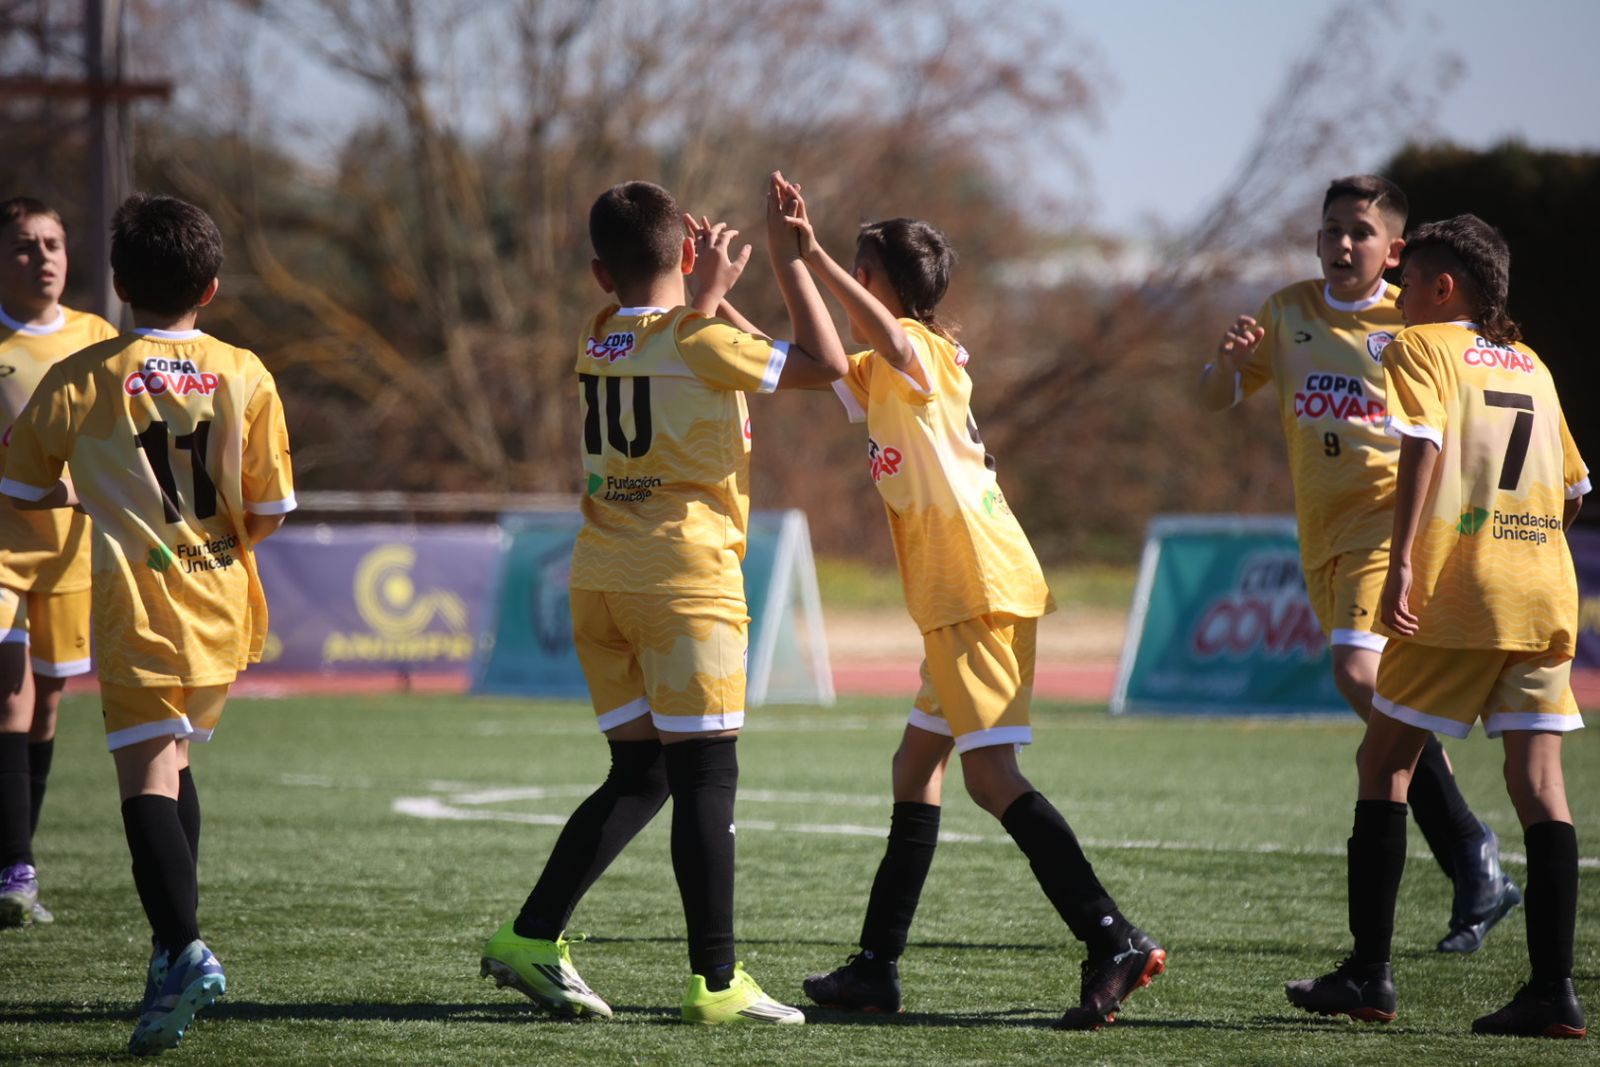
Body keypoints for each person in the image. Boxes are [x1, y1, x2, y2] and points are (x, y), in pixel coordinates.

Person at [772, 178, 1163, 1031]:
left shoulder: (925, 350)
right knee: (915, 770)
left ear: (884, 283)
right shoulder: (887, 364)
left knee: (991, 778)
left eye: (861, 268)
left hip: (978, 585)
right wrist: (771, 270)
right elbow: (823, 358)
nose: (854, 282)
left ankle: (1113, 940)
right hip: (957, 593)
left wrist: (818, 258)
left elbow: (874, 331)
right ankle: (876, 967)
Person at [478, 175, 846, 1025]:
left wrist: (708, 296)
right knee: (708, 775)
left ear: (600, 276)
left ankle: (533, 936)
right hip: (683, 582)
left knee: (641, 774)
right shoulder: (700, 339)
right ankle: (715, 983)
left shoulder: (596, 331)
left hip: (602, 577)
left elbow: (682, 335)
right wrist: (787, 260)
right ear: (686, 250)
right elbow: (827, 367)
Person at [0, 193, 296, 1054]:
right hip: (222, 603)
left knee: (143, 786)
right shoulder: (244, 370)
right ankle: (170, 947)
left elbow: (22, 488)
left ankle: (186, 949)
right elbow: (270, 506)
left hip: (139, 607)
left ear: (119, 284)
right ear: (211, 286)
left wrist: (89, 490)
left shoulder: (85, 372)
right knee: (173, 767)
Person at [1285, 214, 1588, 1038]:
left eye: (1408, 280)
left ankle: (1368, 975)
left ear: (1442, 287)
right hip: (1545, 596)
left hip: (1462, 592)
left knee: (1382, 761)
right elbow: (1571, 490)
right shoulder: (1532, 364)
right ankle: (1554, 991)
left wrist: (1409, 560)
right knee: (1540, 786)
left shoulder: (1419, 348)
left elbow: (1419, 446)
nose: (1398, 295)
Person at [1199, 175, 1517, 952]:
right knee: (1382, 694)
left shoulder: (1411, 321)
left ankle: (1472, 851)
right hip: (1323, 535)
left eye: (1361, 233)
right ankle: (1477, 867)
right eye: (1331, 228)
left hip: (1390, 526)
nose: (1343, 243)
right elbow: (1215, 398)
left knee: (1357, 672)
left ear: (1394, 250)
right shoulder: (1287, 311)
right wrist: (1223, 364)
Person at [0, 198, 118, 928]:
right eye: (22, 245)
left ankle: (21, 860)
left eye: (53, 242)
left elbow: (118, 440)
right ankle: (14, 870)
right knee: (8, 695)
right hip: (3, 551)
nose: (42, 256)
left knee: (46, 705)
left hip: (70, 555)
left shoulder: (97, 337)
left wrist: (89, 482)